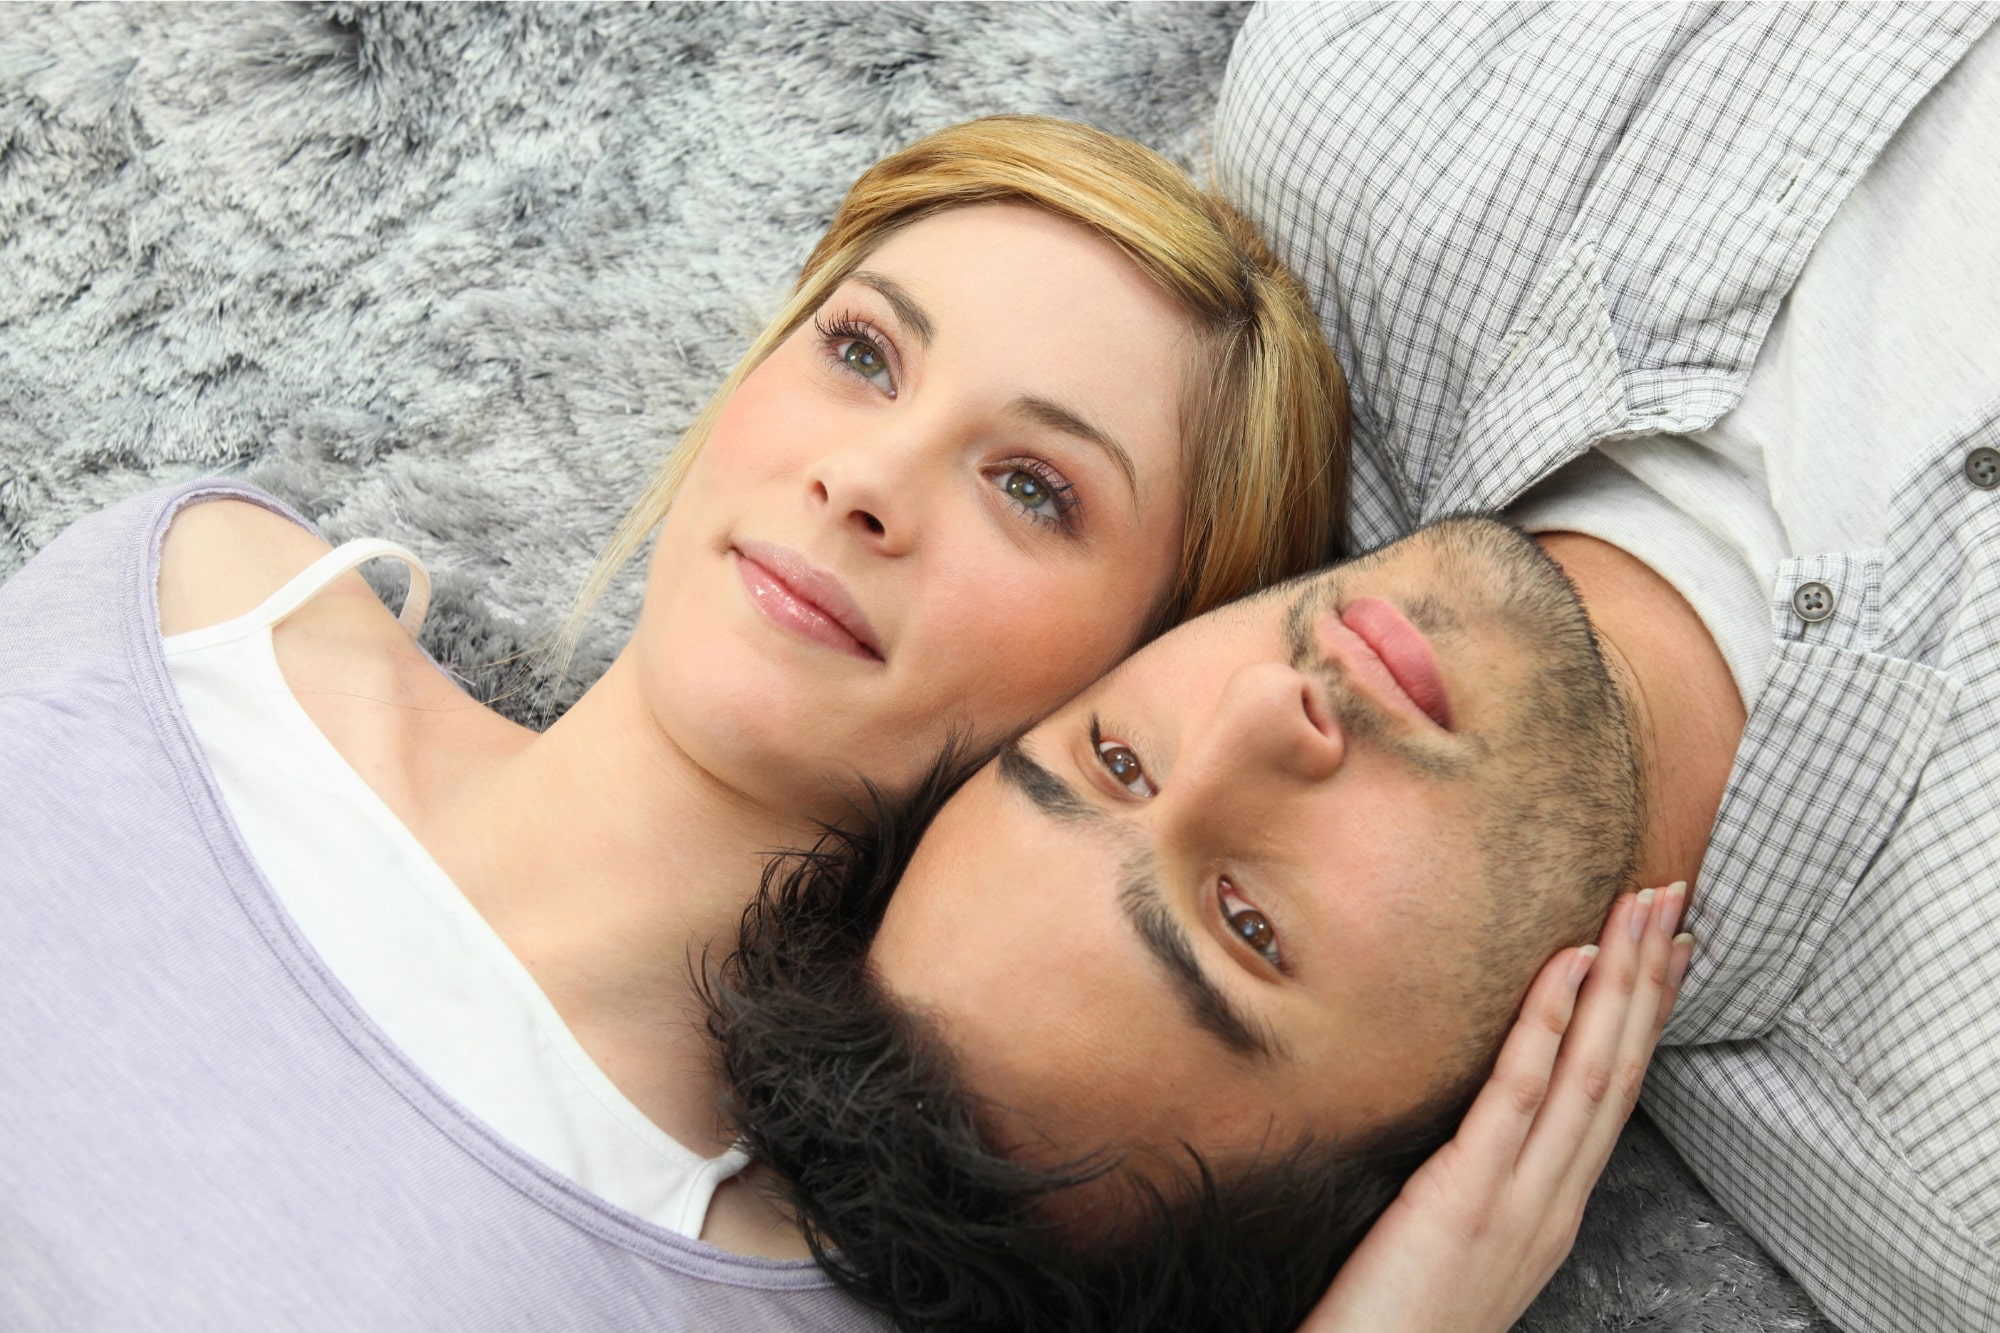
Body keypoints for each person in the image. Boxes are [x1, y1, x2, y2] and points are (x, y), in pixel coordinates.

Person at [706, 6, 2000, 1333]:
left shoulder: (1372, 106)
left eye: (1116, 756)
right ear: (1448, 1173)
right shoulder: (1966, 1164)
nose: (1275, 710)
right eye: (1246, 922)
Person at [0, 115, 1351, 1329]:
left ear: (1133, 683)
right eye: (864, 351)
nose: (866, 477)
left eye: (1035, 487)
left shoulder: (784, 1293)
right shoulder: (201, 594)